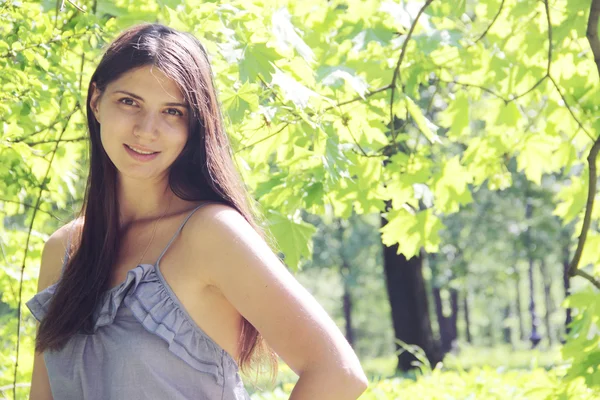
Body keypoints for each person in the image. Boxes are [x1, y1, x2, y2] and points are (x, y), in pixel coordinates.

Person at [26, 23, 368, 400]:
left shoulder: (210, 234)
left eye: (172, 111)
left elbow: (338, 373)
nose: (146, 129)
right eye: (129, 102)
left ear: (194, 125)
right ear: (96, 101)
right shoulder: (64, 250)